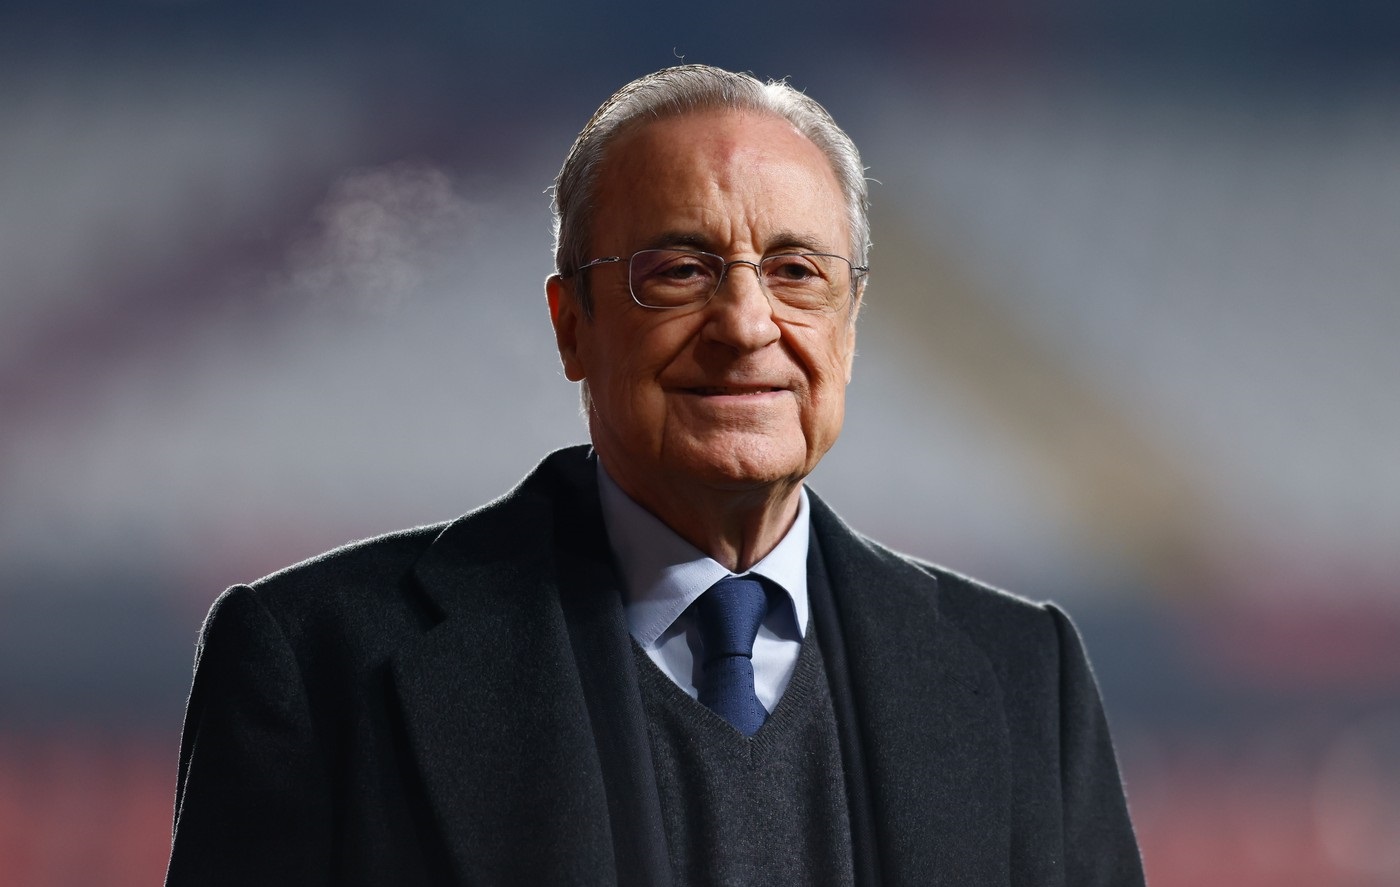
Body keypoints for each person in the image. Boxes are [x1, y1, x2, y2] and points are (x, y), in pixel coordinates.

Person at [165, 64, 1145, 886]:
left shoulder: (1025, 677)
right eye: (678, 270)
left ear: (848, 327)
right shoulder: (318, 662)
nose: (746, 324)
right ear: (570, 324)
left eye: (797, 272)